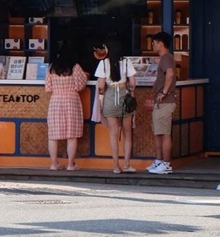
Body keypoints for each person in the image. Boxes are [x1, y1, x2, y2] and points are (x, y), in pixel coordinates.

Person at [93, 41, 137, 174]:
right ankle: (127, 164)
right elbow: (133, 83)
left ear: (108, 49)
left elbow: (101, 86)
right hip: (124, 98)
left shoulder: (103, 64)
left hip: (110, 97)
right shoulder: (126, 62)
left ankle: (115, 166)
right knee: (127, 133)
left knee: (113, 133)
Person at [44, 43, 88, 171]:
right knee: (72, 134)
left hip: (56, 101)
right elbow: (81, 85)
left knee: (53, 135)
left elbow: (47, 88)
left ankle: (54, 164)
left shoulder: (52, 68)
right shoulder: (75, 67)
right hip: (71, 101)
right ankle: (70, 164)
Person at [146, 31, 177, 175]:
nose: (152, 45)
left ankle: (166, 163)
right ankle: (159, 161)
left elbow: (170, 74)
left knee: (164, 133)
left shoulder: (166, 58)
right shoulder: (165, 58)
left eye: (154, 43)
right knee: (158, 132)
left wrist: (164, 92)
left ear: (161, 44)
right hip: (161, 103)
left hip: (166, 101)